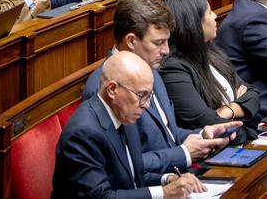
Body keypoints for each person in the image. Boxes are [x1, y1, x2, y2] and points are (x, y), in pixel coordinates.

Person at [81, 0, 239, 179]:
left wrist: (202, 135)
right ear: (131, 41)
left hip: (180, 176)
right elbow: (125, 165)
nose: (166, 51)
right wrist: (183, 154)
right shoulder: (105, 87)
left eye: (167, 41)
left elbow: (168, 134)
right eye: (158, 43)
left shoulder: (151, 69)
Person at [53, 51, 208, 198]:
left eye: (149, 96)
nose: (146, 105)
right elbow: (101, 196)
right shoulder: (84, 134)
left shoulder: (124, 114)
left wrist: (167, 179)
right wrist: (164, 193)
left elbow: (135, 175)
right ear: (112, 89)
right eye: (142, 95)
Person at [160, 0, 261, 142]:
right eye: (209, 12)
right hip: (216, 153)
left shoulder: (211, 52)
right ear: (192, 23)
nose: (215, 16)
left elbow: (253, 95)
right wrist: (239, 116)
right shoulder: (173, 70)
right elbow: (208, 122)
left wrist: (227, 111)